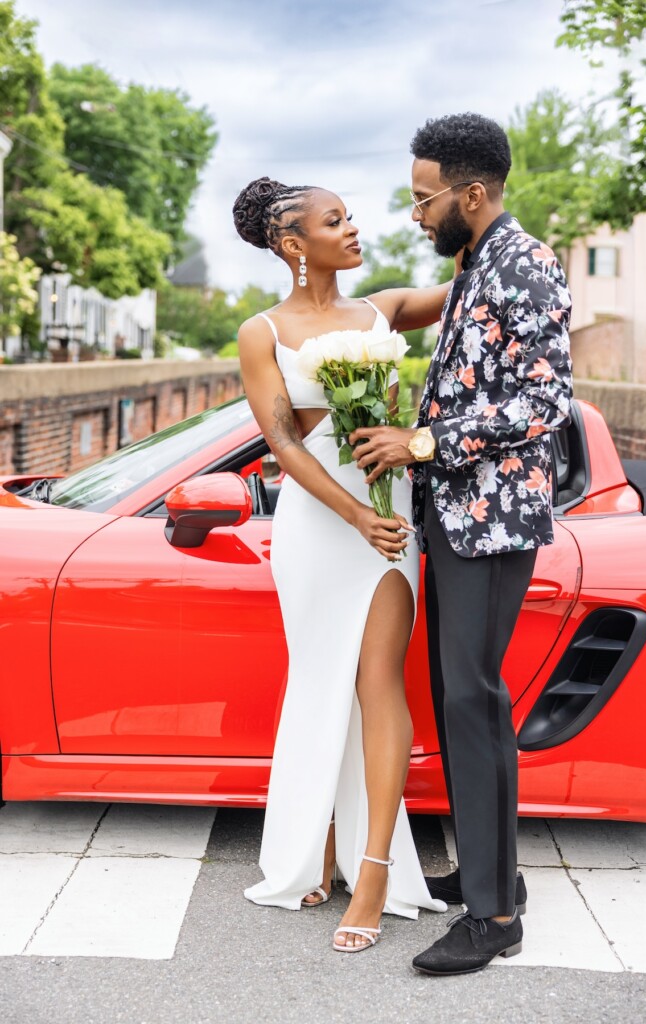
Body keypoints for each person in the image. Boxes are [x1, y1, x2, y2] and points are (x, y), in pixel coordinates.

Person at [349, 112, 573, 975]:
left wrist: (427, 444)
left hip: (492, 522)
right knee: (457, 699)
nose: (413, 213)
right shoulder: (472, 260)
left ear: (469, 194)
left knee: (474, 702)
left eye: (421, 197)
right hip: (456, 516)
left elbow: (543, 404)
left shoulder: (528, 263)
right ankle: (491, 873)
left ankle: (493, 919)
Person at [233, 176, 447, 953]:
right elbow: (284, 443)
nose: (353, 229)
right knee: (319, 678)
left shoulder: (380, 310)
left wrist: (464, 204)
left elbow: (466, 275)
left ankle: (376, 867)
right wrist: (351, 512)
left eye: (351, 216)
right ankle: (314, 846)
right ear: (293, 244)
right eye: (335, 220)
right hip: (320, 525)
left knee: (376, 682)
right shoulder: (260, 332)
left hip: (387, 519)